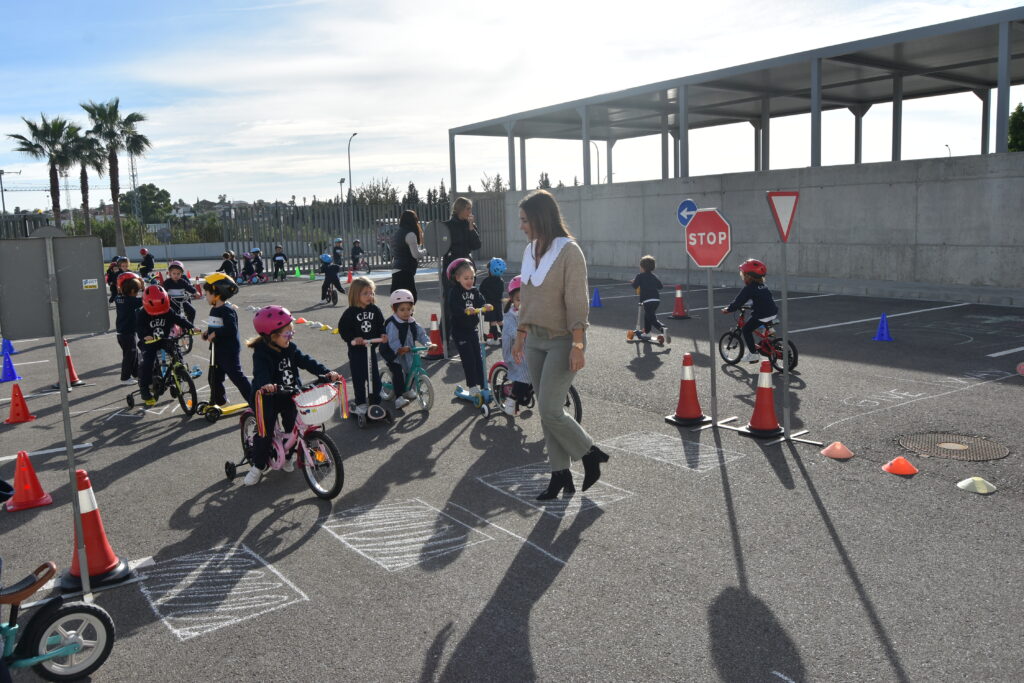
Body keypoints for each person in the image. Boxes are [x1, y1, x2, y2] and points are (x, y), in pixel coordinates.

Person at [511, 190, 609, 499]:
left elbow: (577, 301)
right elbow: (527, 297)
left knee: (552, 409)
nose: (522, 226)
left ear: (540, 218)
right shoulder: (530, 250)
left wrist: (578, 344)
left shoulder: (569, 252)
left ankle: (590, 453)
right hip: (535, 339)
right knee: (545, 410)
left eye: (525, 220)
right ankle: (560, 475)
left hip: (564, 340)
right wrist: (521, 333)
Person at [246, 306, 341, 486]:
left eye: (292, 331)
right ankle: (257, 466)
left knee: (293, 427)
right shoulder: (262, 354)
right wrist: (267, 385)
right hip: (266, 397)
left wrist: (327, 372)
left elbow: (306, 361)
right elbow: (261, 374)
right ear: (272, 336)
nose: (291, 335)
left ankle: (288, 457)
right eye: (287, 333)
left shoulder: (290, 348)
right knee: (264, 433)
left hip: (290, 394)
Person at [135, 285, 194, 406]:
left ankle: (179, 373)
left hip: (164, 339)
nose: (158, 314)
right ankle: (144, 388)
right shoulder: (141, 313)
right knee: (148, 363)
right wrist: (145, 335)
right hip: (149, 342)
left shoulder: (168, 310)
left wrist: (191, 327)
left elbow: (179, 319)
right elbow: (138, 327)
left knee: (176, 351)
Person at [337, 277, 387, 416]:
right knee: (359, 379)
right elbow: (344, 329)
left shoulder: (375, 310)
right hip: (357, 352)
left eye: (371, 293)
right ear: (356, 294)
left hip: (370, 349)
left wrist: (383, 334)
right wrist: (353, 338)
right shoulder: (350, 313)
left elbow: (380, 325)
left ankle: (375, 403)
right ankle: (360, 403)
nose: (369, 296)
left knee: (374, 379)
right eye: (365, 293)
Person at [201, 273, 252, 406]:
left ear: (216, 293)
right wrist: (208, 333)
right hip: (217, 349)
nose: (205, 296)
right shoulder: (215, 309)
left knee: (236, 376)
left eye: (207, 294)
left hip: (228, 350)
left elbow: (231, 329)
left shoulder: (226, 310)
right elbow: (216, 326)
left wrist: (215, 334)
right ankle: (219, 400)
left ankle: (254, 400)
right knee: (214, 377)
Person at [446, 258, 492, 398]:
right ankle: (472, 386)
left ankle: (483, 384)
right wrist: (465, 310)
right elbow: (453, 307)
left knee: (479, 358)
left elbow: (481, 301)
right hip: (460, 332)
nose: (470, 281)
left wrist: (486, 306)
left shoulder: (474, 291)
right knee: (469, 359)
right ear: (457, 278)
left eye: (472, 277)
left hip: (473, 330)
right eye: (466, 278)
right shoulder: (455, 292)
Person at [380, 289, 432, 410]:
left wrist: (428, 343)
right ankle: (398, 398)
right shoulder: (393, 323)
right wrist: (399, 349)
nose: (406, 312)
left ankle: (408, 390)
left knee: (411, 369)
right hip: (393, 353)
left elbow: (421, 334)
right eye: (402, 309)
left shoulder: (412, 322)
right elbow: (392, 340)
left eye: (409, 309)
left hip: (408, 351)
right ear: (394, 309)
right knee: (398, 372)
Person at [720, 258, 778, 363]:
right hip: (772, 312)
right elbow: (763, 300)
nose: (742, 277)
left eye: (743, 274)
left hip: (762, 314)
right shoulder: (763, 286)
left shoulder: (749, 288)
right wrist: (751, 306)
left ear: (749, 276)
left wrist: (729, 309)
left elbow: (738, 301)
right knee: (758, 322)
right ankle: (767, 339)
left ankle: (753, 354)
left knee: (746, 330)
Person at [441, 197, 483, 325]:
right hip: (452, 265)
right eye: (468, 208)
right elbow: (441, 246)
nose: (470, 211)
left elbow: (476, 245)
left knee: (469, 295)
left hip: (467, 263)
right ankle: (447, 330)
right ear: (460, 209)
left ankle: (470, 325)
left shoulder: (470, 225)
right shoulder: (447, 225)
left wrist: (471, 227)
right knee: (450, 297)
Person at [500, 275, 531, 416]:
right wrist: (526, 333)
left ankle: (527, 393)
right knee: (524, 373)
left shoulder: (531, 310)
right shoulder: (510, 314)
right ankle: (511, 400)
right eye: (519, 300)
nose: (522, 303)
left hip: (529, 346)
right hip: (516, 350)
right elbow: (512, 332)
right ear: (512, 299)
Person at [390, 210, 428, 301]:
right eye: (416, 219)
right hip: (405, 271)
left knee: (397, 301)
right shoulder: (410, 234)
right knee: (410, 299)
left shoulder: (397, 233)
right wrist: (427, 251)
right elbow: (416, 254)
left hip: (396, 270)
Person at [114, 273, 143, 386]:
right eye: (136, 291)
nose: (137, 293)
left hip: (123, 332)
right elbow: (146, 298)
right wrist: (144, 286)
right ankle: (125, 377)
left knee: (133, 353)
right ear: (131, 291)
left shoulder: (119, 298)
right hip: (127, 333)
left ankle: (136, 373)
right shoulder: (131, 301)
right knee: (129, 355)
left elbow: (121, 290)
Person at [631, 254, 668, 340]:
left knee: (651, 318)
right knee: (648, 316)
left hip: (647, 300)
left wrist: (634, 281)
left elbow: (634, 286)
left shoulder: (639, 276)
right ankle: (647, 333)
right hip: (656, 300)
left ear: (642, 267)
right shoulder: (654, 276)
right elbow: (660, 286)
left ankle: (662, 328)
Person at [480, 257, 506, 345]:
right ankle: (506, 336)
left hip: (489, 305)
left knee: (493, 322)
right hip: (498, 304)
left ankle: (495, 339)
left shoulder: (486, 281)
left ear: (490, 270)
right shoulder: (501, 281)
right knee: (500, 321)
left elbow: (481, 291)